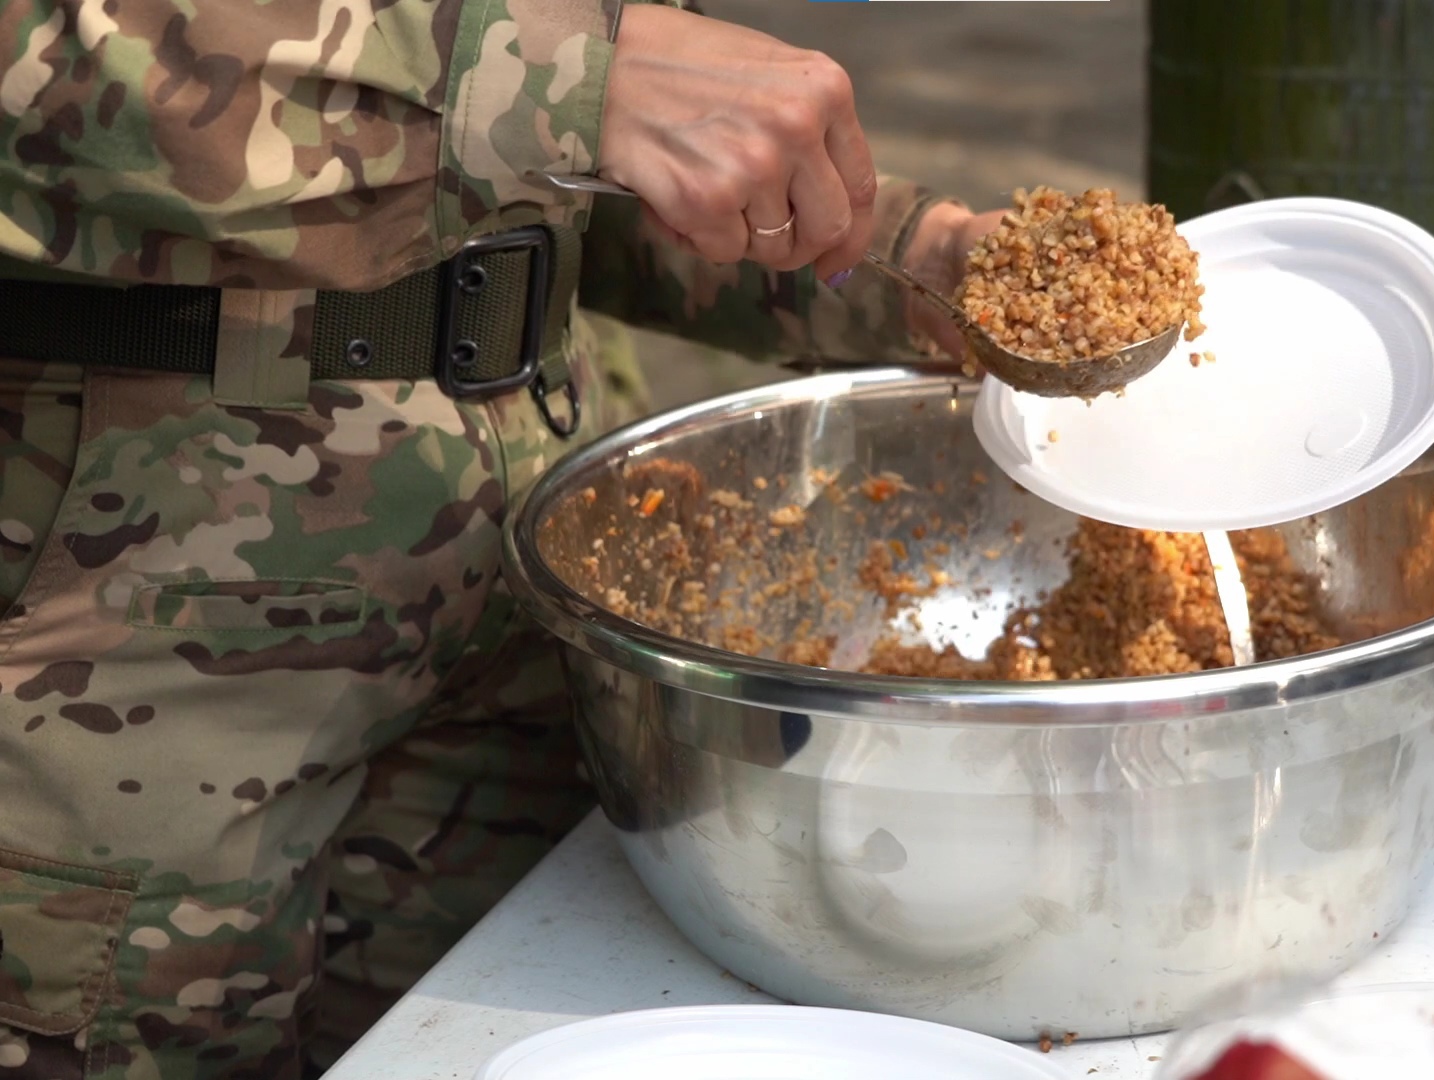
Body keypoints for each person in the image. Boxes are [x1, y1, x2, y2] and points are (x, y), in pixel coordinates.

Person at [0, 1, 1005, 1076]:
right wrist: (571, 77)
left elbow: (562, 180)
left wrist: (908, 256)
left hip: (532, 604)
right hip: (139, 649)